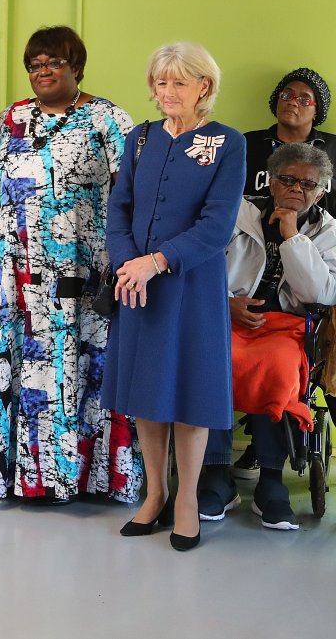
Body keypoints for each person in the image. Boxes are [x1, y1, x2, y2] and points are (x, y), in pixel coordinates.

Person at [0, 26, 141, 503]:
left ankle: (83, 480)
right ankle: (8, 478)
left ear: (76, 67)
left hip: (78, 276)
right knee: (12, 367)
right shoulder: (11, 117)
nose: (41, 73)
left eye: (52, 64)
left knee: (74, 373)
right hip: (10, 275)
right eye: (34, 65)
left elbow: (132, 197)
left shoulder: (108, 120)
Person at [103, 42, 245, 551]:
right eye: (161, 82)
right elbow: (118, 209)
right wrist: (127, 263)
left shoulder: (227, 143)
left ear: (204, 87)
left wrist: (155, 262)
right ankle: (155, 493)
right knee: (147, 394)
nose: (167, 92)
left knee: (188, 396)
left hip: (190, 288)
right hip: (136, 287)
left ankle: (187, 502)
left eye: (179, 82)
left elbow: (217, 225)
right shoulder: (139, 139)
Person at [197, 142, 336, 530]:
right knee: (213, 362)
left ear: (321, 191)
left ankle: (271, 480)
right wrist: (226, 303)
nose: (296, 188)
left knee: (277, 368)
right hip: (226, 319)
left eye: (308, 184)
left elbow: (319, 293)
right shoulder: (234, 213)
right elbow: (201, 266)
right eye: (287, 179)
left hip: (286, 328)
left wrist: (292, 235)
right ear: (271, 182)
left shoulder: (328, 232)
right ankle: (216, 475)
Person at [244, 68, 333, 214]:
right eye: (287, 95)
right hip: (254, 233)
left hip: (322, 234)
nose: (292, 102)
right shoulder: (247, 144)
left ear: (316, 112)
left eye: (304, 99)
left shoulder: (333, 147)